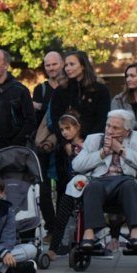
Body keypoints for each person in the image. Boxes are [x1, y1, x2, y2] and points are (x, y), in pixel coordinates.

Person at [72, 109, 137, 252]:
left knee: (129, 184)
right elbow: (77, 165)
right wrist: (102, 153)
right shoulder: (94, 139)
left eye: (115, 128)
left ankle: (135, 232)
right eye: (108, 126)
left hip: (126, 184)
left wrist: (121, 150)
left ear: (127, 131)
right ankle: (89, 233)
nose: (109, 131)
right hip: (101, 183)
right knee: (92, 186)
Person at [44, 112, 85, 262]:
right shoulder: (63, 147)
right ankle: (53, 249)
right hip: (70, 186)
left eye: (68, 128)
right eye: (62, 130)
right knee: (61, 216)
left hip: (88, 184)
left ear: (77, 127)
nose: (64, 132)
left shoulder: (89, 144)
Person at [32, 50, 66, 234]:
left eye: (54, 64)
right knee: (43, 187)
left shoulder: (68, 87)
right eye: (48, 65)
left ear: (62, 63)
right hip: (43, 143)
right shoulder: (41, 89)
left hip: (63, 143)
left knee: (63, 186)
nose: (51, 68)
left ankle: (61, 227)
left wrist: (42, 106)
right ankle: (51, 227)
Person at [52, 50, 110, 138]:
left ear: (83, 66)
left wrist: (88, 141)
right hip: (66, 144)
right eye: (66, 65)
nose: (68, 68)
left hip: (93, 142)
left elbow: (102, 119)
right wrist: (65, 144)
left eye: (72, 64)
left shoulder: (100, 89)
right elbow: (56, 120)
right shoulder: (60, 91)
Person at [111, 62, 137, 140]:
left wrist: (130, 133)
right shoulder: (118, 100)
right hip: (124, 146)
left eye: (132, 76)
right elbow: (115, 126)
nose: (128, 79)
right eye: (127, 76)